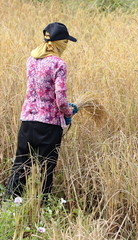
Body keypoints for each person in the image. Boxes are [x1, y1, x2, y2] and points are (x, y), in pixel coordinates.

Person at [5, 22, 78, 200]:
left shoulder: (31, 60)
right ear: (61, 43)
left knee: (20, 167)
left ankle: (9, 205)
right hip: (49, 125)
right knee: (46, 170)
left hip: (27, 122)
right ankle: (42, 207)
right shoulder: (59, 64)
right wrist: (69, 113)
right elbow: (60, 99)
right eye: (66, 42)